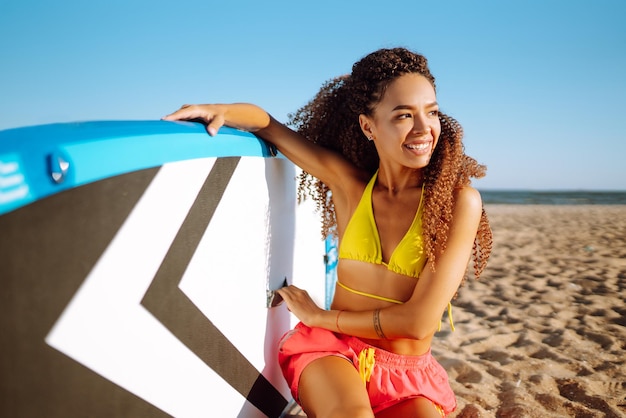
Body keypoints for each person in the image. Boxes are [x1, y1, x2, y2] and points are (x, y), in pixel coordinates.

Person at [164, 47, 492, 418]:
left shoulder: (457, 203)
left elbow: (417, 323)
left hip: (407, 375)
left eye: (431, 111)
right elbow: (268, 125)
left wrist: (319, 316)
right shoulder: (348, 186)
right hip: (333, 352)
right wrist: (222, 110)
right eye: (404, 115)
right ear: (368, 126)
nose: (423, 128)